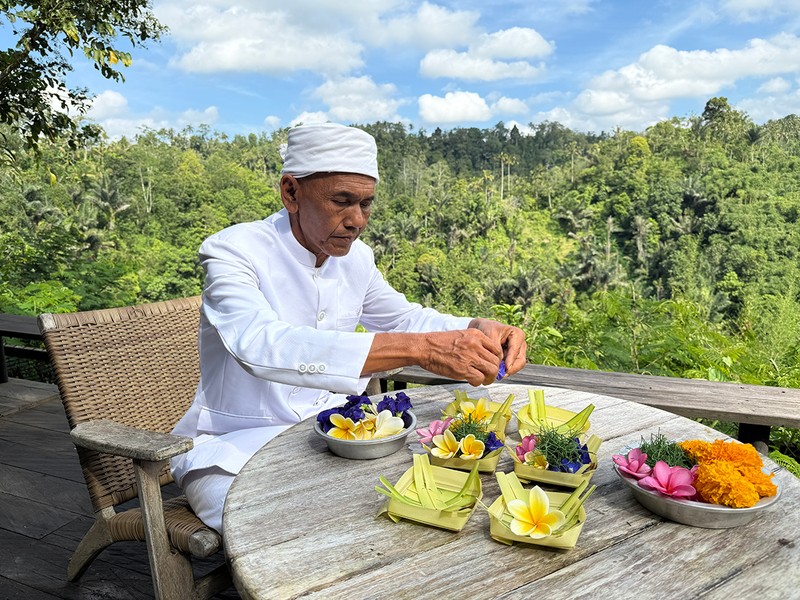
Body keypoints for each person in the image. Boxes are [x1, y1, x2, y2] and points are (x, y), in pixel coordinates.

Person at [171, 122, 527, 532]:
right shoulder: (233, 251)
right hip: (234, 450)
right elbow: (259, 343)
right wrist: (421, 350)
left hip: (335, 436)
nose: (357, 220)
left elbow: (403, 318)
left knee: (413, 508)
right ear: (291, 192)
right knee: (289, 532)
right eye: (342, 201)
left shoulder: (357, 258)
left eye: (367, 204)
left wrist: (477, 326)